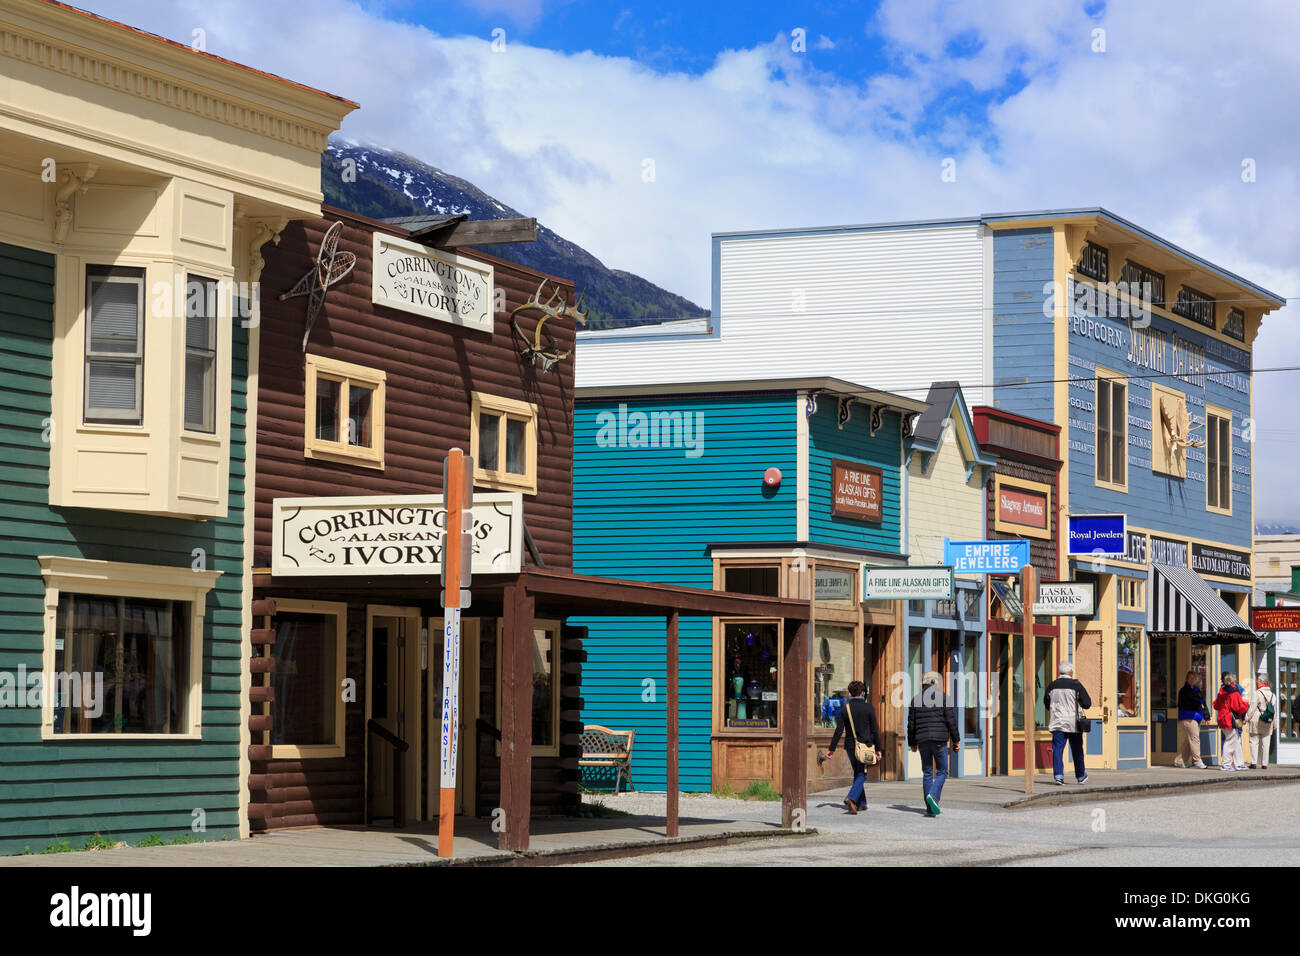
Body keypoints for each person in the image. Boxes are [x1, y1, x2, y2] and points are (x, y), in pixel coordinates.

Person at [824, 680, 882, 814]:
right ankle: (851, 798)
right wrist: (878, 749)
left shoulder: (846, 708)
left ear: (850, 692)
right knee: (862, 774)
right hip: (865, 746)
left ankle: (862, 803)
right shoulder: (869, 708)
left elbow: (839, 730)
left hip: (850, 746)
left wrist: (831, 749)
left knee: (858, 772)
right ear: (862, 693)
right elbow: (875, 730)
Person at [908, 670, 960, 817]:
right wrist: (956, 740)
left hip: (922, 740)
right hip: (939, 740)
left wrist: (912, 743)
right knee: (942, 771)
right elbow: (951, 721)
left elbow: (911, 724)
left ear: (922, 684)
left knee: (928, 772)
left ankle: (930, 809)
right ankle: (934, 796)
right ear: (935, 683)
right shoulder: (944, 698)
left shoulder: (915, 699)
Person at [1043, 661, 1092, 785]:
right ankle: (1081, 776)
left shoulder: (1052, 686)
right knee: (1077, 750)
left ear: (1060, 672)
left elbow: (1046, 703)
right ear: (1070, 672)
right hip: (1073, 723)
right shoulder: (1076, 685)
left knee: (1058, 749)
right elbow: (1087, 703)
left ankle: (1058, 776)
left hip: (1057, 722)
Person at [1213, 672, 1249, 771]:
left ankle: (1239, 763)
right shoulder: (1234, 693)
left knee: (1235, 741)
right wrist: (1246, 702)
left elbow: (1215, 705)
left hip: (1222, 718)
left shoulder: (1221, 692)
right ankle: (1226, 764)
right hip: (1230, 719)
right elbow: (1239, 707)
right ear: (1233, 681)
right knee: (1230, 741)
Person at [1174, 670, 1209, 769]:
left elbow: (1203, 704)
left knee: (1188, 740)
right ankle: (1197, 761)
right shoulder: (1184, 691)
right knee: (1194, 739)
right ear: (1187, 679)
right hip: (1188, 717)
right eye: (1190, 678)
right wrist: (1198, 705)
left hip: (1196, 717)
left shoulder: (1197, 690)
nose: (1192, 680)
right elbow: (1184, 704)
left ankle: (1179, 760)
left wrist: (1207, 716)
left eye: (1194, 678)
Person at [1245, 672, 1276, 770]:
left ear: (1262, 682)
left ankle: (1254, 763)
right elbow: (1273, 711)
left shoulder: (1257, 693)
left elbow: (1252, 707)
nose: (1257, 683)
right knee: (1265, 743)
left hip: (1257, 719)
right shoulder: (1272, 695)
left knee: (1254, 741)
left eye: (1258, 681)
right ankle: (1264, 764)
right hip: (1268, 720)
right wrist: (1274, 723)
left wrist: (1246, 718)